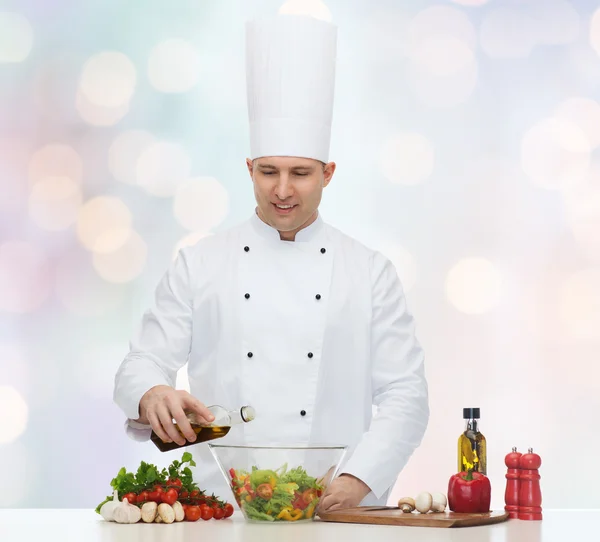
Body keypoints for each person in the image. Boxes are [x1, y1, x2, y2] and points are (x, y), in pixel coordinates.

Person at [113, 14, 429, 512]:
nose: (282, 190)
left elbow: (406, 394)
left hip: (334, 506)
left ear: (328, 174)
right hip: (222, 509)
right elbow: (142, 361)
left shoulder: (370, 272)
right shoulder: (199, 263)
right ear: (249, 169)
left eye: (300, 173)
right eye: (269, 172)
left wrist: (358, 480)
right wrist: (151, 390)